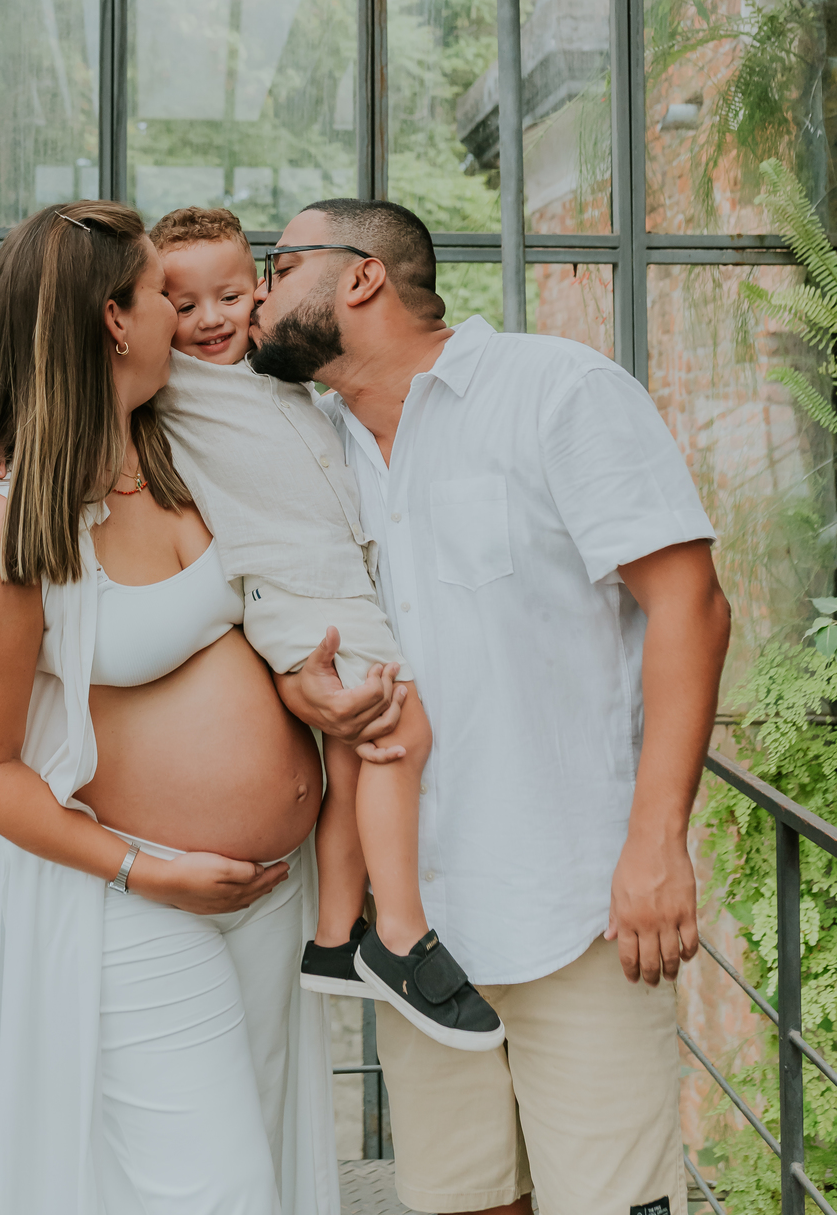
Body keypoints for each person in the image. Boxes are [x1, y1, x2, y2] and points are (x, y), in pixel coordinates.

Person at [251, 197, 731, 1215]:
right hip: (417, 931)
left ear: (362, 275)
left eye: (279, 265)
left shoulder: (556, 392)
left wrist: (657, 846)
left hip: (583, 907)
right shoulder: (307, 444)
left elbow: (690, 605)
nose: (258, 292)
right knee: (461, 1202)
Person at [0, 200, 354, 1215]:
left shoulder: (180, 449)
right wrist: (149, 870)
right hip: (129, 898)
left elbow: (261, 605)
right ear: (119, 321)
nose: (197, 319)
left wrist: (305, 684)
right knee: (221, 1193)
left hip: (263, 894)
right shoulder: (12, 525)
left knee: (244, 1151)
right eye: (168, 297)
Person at [149, 203, 502, 1050]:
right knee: (396, 732)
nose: (212, 320)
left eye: (237, 294)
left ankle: (337, 938)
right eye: (183, 304)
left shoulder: (280, 373)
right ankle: (404, 936)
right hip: (299, 591)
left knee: (353, 757)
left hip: (331, 586)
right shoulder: (172, 385)